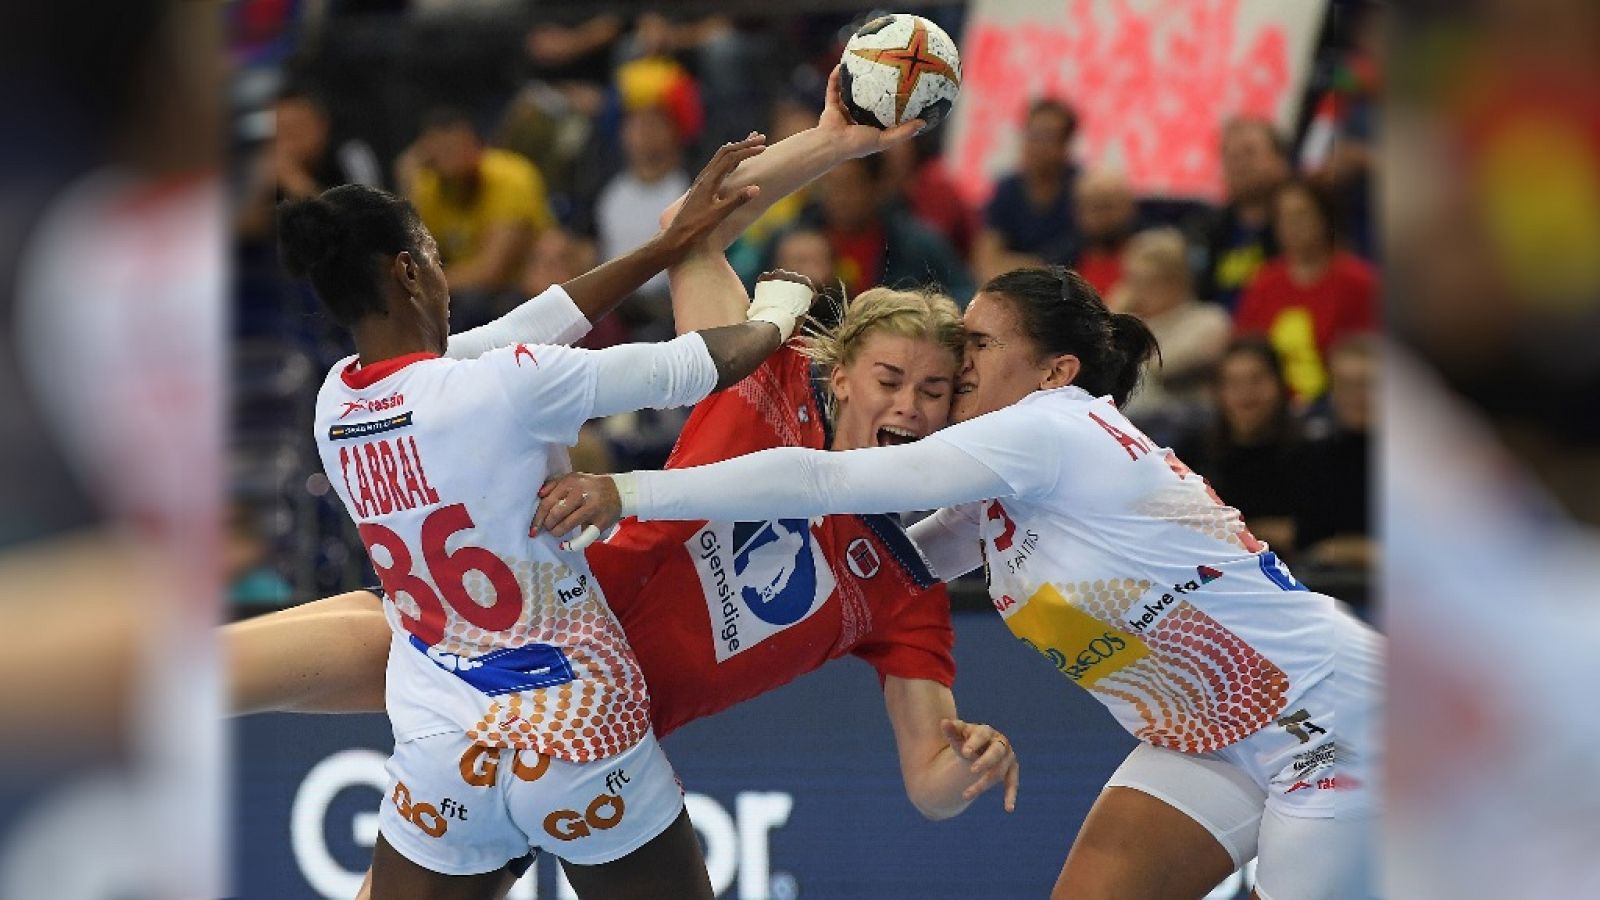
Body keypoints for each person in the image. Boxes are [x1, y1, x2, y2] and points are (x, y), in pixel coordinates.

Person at [536, 267, 1383, 900]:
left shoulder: (1054, 428)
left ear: (1052, 371)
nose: (961, 362)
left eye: (977, 345)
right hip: (1212, 735)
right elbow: (863, 562)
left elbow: (830, 489)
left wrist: (633, 489)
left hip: (1335, 725)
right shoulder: (1000, 494)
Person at [279, 135, 817, 900]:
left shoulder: (337, 402)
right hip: (578, 734)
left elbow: (530, 325)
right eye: (430, 254)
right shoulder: (503, 387)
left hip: (443, 749)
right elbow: (699, 364)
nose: (442, 274)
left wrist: (668, 246)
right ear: (407, 269)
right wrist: (781, 308)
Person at [396, 109, 557, 321]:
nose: (448, 155)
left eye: (454, 147)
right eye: (439, 148)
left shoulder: (510, 176)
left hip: (525, 290)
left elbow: (492, 271)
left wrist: (423, 282)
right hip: (468, 293)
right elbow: (409, 256)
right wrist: (408, 182)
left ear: (476, 143)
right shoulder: (429, 187)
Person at [1234, 178, 1379, 404]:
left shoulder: (1359, 281)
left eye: (1301, 215)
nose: (1292, 226)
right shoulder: (1263, 282)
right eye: (1283, 218)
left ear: (1323, 218)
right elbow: (1244, 352)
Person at [1173, 338, 1305, 555]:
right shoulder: (1194, 453)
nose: (1246, 392)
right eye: (1232, 383)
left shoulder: (1310, 452)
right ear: (1217, 393)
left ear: (1281, 385)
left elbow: (1308, 535)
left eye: (1257, 379)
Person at [1111, 228, 1232, 444]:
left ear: (1176, 280)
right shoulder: (1133, 325)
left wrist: (1120, 323)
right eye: (1132, 281)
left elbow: (1160, 368)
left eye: (1146, 281)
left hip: (1186, 430)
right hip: (1132, 430)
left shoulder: (1208, 320)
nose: (1135, 291)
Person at [974, 98, 1079, 282]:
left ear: (1065, 144)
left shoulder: (1080, 190)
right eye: (1032, 135)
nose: (1037, 146)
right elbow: (987, 258)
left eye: (1047, 137)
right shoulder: (1006, 190)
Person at [1194, 117, 1291, 311]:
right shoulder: (1204, 230)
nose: (1238, 164)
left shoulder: (1301, 223)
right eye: (1230, 156)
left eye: (1249, 152)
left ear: (1280, 162)